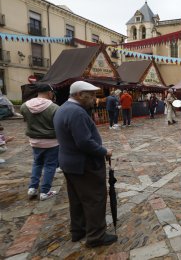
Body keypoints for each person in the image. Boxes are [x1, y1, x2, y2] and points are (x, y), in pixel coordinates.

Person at [53, 81, 117, 248]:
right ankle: (96, 236)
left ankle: (78, 231)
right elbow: (84, 142)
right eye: (92, 95)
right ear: (80, 94)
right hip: (84, 164)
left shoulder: (63, 108)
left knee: (77, 199)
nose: (95, 98)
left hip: (69, 162)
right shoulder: (77, 113)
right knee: (94, 199)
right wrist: (104, 151)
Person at [20, 84, 60, 200]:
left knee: (37, 163)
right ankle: (45, 192)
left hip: (35, 141)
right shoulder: (54, 108)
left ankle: (32, 188)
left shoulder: (24, 106)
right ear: (49, 93)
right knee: (50, 165)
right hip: (51, 141)